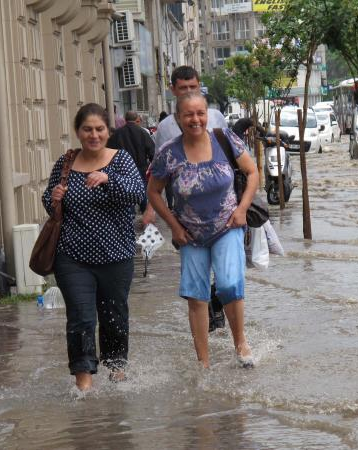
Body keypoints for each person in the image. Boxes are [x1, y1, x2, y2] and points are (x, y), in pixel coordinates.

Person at [147, 91, 258, 369]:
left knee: (230, 284)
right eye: (189, 114)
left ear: (206, 115)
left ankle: (240, 342)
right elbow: (154, 192)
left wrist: (242, 209)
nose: (195, 119)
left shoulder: (224, 139)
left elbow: (253, 172)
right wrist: (174, 226)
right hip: (191, 235)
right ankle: (203, 363)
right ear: (178, 118)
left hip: (227, 225)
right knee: (196, 295)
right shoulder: (168, 154)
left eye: (200, 113)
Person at [42, 103, 146, 391]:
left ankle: (116, 372)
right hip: (73, 257)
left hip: (116, 255)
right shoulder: (66, 163)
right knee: (81, 317)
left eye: (99, 129)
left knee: (114, 316)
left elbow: (138, 193)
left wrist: (108, 180)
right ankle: (84, 383)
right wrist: (55, 197)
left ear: (108, 131)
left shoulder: (120, 160)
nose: (93, 135)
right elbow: (50, 205)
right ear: (78, 132)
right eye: (87, 129)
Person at [107, 110, 155, 213]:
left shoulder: (118, 133)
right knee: (141, 189)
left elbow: (108, 149)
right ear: (136, 119)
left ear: (125, 119)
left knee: (126, 189)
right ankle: (144, 210)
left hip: (122, 168)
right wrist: (153, 165)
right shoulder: (142, 132)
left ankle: (131, 212)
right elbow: (152, 150)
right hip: (140, 167)